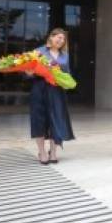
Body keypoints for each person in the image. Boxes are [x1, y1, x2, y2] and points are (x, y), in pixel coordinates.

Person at [30, 28, 75, 164]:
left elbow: (67, 73)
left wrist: (66, 80)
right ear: (51, 37)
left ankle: (53, 152)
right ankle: (42, 152)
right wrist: (30, 71)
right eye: (58, 37)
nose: (60, 40)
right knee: (40, 120)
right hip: (40, 89)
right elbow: (28, 71)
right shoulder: (39, 51)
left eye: (63, 39)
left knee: (56, 120)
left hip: (57, 91)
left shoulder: (65, 55)